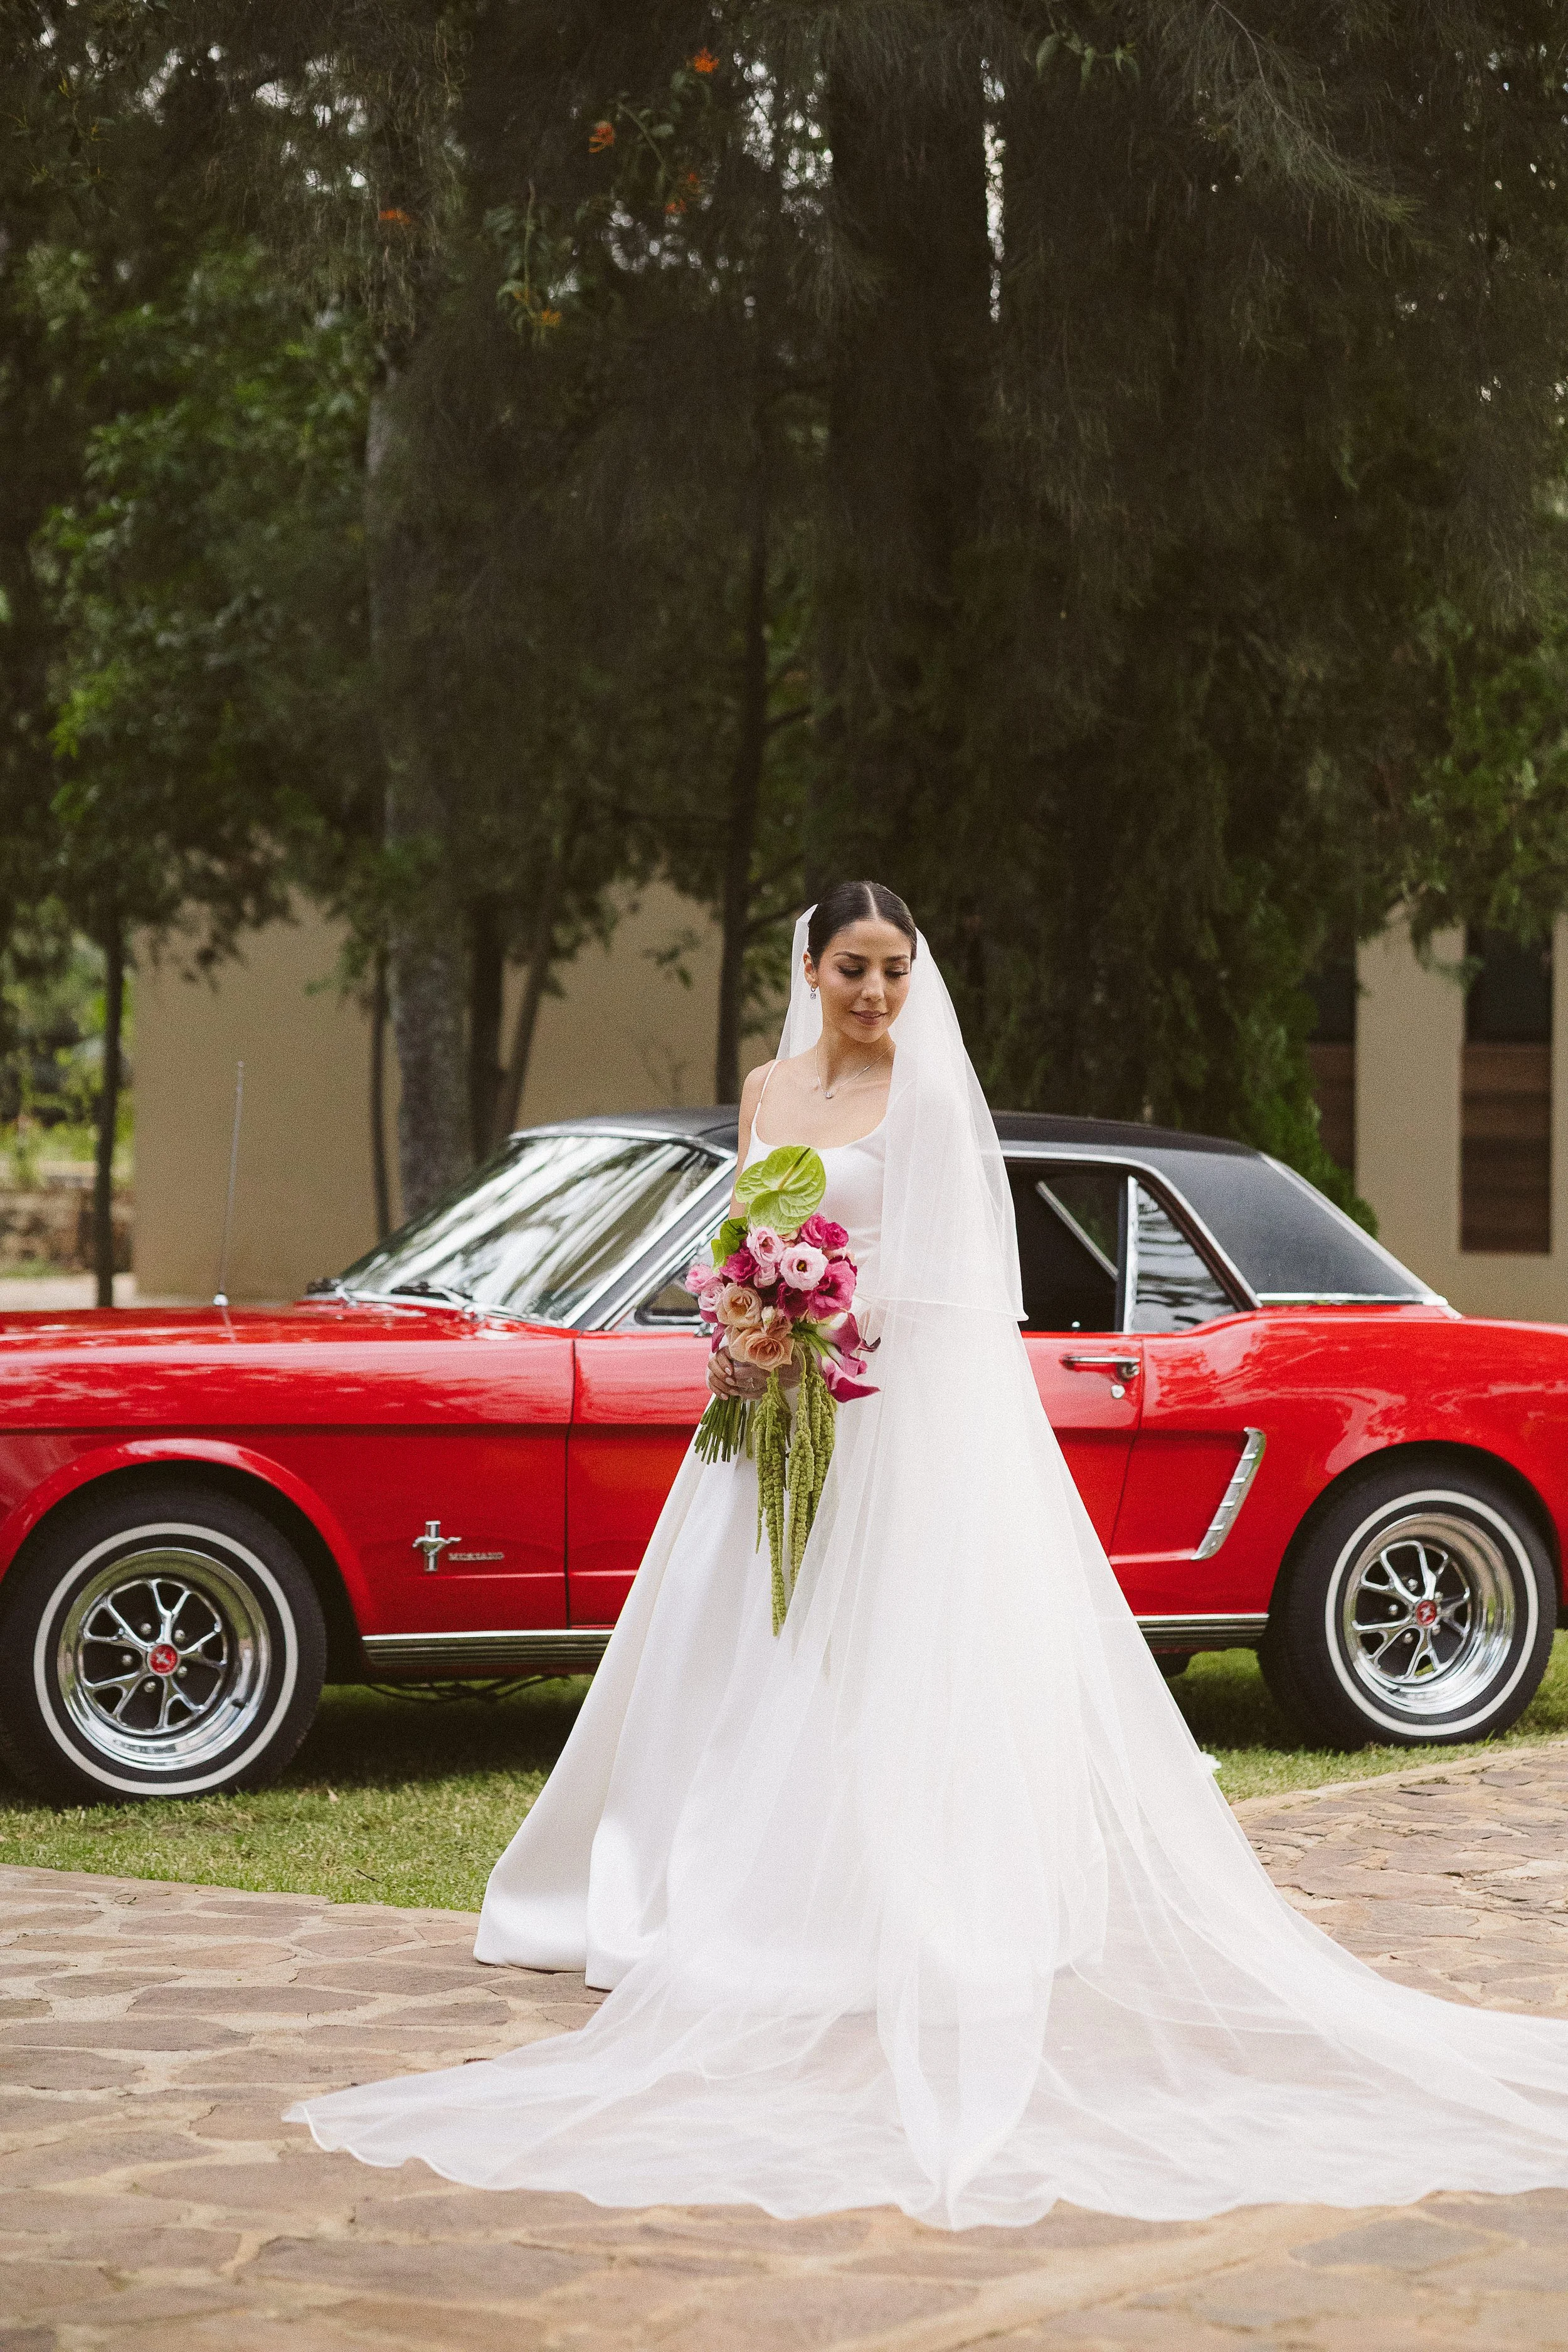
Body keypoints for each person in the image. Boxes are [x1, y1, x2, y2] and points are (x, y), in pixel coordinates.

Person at [290, 882, 1568, 2228]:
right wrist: (740, 1323)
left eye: (895, 970)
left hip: (888, 1418)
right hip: (763, 1417)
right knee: (733, 1645)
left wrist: (830, 1322)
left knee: (869, 1657)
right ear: (807, 965)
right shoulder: (764, 1089)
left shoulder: (929, 1094)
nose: (876, 994)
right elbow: (738, 1236)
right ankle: (672, 1891)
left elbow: (961, 1284)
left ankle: (847, 1908)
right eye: (852, 967)